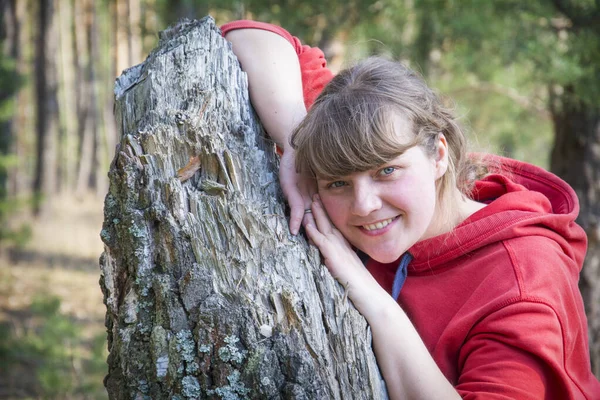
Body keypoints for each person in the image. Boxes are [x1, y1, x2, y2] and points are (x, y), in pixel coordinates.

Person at [221, 20, 600, 399]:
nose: (364, 205)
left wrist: (374, 301)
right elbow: (249, 35)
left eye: (387, 171)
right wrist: (298, 145)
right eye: (338, 182)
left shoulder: (523, 282)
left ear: (437, 155)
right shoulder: (354, 137)